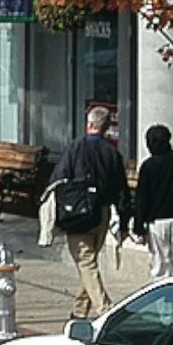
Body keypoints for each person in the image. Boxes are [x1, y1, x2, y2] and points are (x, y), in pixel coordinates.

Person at [50, 105, 128, 319]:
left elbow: (58, 178)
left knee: (86, 263)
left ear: (89, 125)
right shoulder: (112, 153)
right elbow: (122, 190)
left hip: (77, 213)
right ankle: (79, 310)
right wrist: (123, 221)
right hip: (102, 214)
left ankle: (105, 309)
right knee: (89, 263)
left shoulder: (75, 148)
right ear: (105, 128)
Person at [124, 124, 173, 281]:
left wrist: (139, 228)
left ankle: (162, 300)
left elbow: (142, 200)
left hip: (157, 222)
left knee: (160, 266)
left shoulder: (148, 167)